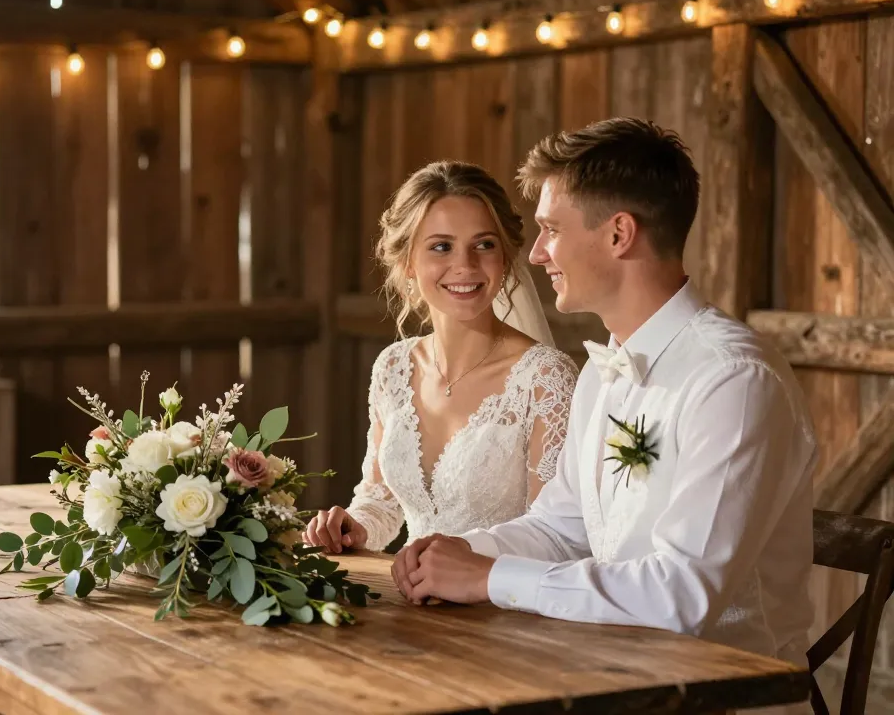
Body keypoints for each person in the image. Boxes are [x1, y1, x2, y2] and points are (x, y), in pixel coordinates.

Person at [390, 118, 818, 672]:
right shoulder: (603, 372)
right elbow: (559, 527)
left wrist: (491, 578)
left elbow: (682, 596)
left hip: (722, 697)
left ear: (619, 234)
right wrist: (463, 552)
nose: (538, 253)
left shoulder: (733, 381)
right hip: (609, 673)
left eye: (551, 229)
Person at [303, 161, 579, 554]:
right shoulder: (394, 368)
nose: (465, 266)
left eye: (484, 244)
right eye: (441, 247)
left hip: (504, 603)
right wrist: (355, 526)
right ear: (408, 262)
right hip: (411, 598)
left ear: (505, 257)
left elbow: (553, 537)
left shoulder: (545, 380)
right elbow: (380, 501)